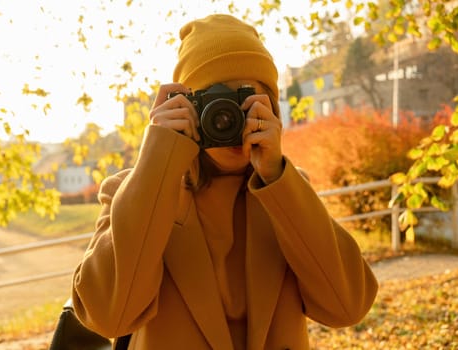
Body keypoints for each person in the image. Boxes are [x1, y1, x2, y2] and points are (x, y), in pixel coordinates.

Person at [72, 14, 378, 350]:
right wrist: (159, 158)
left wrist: (276, 175)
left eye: (244, 100)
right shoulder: (132, 191)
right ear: (186, 106)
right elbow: (107, 317)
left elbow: (348, 306)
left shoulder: (287, 193)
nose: (228, 116)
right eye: (215, 100)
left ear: (272, 109)